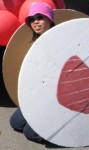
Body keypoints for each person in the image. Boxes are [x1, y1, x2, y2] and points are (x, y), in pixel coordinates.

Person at [10, 2, 55, 144]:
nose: (35, 22)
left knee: (31, 133)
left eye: (40, 17)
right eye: (32, 19)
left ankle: (65, 133)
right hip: (40, 95)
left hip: (55, 97)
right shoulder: (37, 43)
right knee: (16, 123)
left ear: (49, 19)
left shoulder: (59, 41)